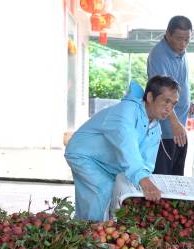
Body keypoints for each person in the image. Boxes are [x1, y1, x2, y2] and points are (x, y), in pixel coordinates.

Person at [65, 76, 180, 221]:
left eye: (174, 104)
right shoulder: (126, 110)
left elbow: (146, 164)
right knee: (102, 189)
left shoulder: (155, 127)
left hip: (108, 163)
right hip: (84, 155)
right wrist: (142, 180)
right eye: (166, 101)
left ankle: (90, 229)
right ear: (150, 97)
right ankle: (90, 235)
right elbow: (127, 145)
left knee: (118, 196)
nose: (169, 108)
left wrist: (144, 184)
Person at [147, 15, 194, 176]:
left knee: (177, 175)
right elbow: (163, 96)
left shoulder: (181, 51)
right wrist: (174, 123)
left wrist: (188, 102)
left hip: (180, 125)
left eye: (187, 39)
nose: (183, 44)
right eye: (179, 39)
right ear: (167, 34)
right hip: (167, 129)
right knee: (163, 177)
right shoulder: (159, 56)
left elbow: (180, 82)